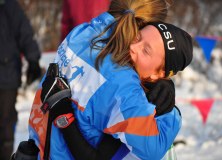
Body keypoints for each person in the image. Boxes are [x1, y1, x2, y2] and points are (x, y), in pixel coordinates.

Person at [29, 0, 192, 159]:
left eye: (147, 49)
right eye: (139, 38)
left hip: (40, 144)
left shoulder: (84, 32)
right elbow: (154, 149)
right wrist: (170, 113)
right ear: (142, 25)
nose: (134, 47)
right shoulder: (124, 85)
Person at [0, 0, 42, 159]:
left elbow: (24, 31)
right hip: (8, 73)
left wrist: (33, 60)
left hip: (6, 75)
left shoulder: (9, 6)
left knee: (5, 125)